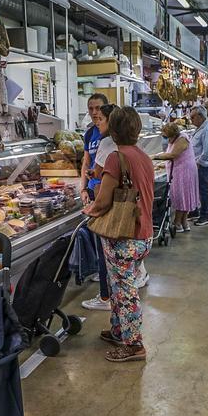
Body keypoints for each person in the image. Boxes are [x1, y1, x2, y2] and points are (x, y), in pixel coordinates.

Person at [83, 106, 154, 363]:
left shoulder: (116, 157)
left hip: (123, 236)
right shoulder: (143, 156)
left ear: (113, 130)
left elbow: (102, 202)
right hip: (143, 233)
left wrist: (90, 210)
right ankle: (117, 330)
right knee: (119, 285)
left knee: (125, 291)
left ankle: (134, 345)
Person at [80, 96, 113, 311]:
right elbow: (86, 162)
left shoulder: (109, 137)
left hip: (106, 196)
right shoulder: (90, 133)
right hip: (94, 192)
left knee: (107, 246)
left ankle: (105, 296)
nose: (94, 113)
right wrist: (83, 188)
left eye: (98, 109)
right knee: (103, 245)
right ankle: (106, 289)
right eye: (91, 108)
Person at [153, 122, 198, 233]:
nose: (166, 139)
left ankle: (177, 223)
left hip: (183, 172)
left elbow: (173, 155)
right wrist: (163, 164)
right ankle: (184, 223)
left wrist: (154, 157)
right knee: (183, 197)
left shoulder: (182, 138)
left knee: (181, 197)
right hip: (178, 169)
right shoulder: (175, 139)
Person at [190, 105, 208, 226]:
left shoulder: (206, 129)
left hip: (203, 164)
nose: (191, 120)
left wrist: (198, 162)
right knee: (198, 189)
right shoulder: (201, 127)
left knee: (203, 190)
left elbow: (207, 151)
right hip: (199, 164)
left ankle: (204, 216)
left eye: (193, 117)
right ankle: (196, 211)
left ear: (200, 116)